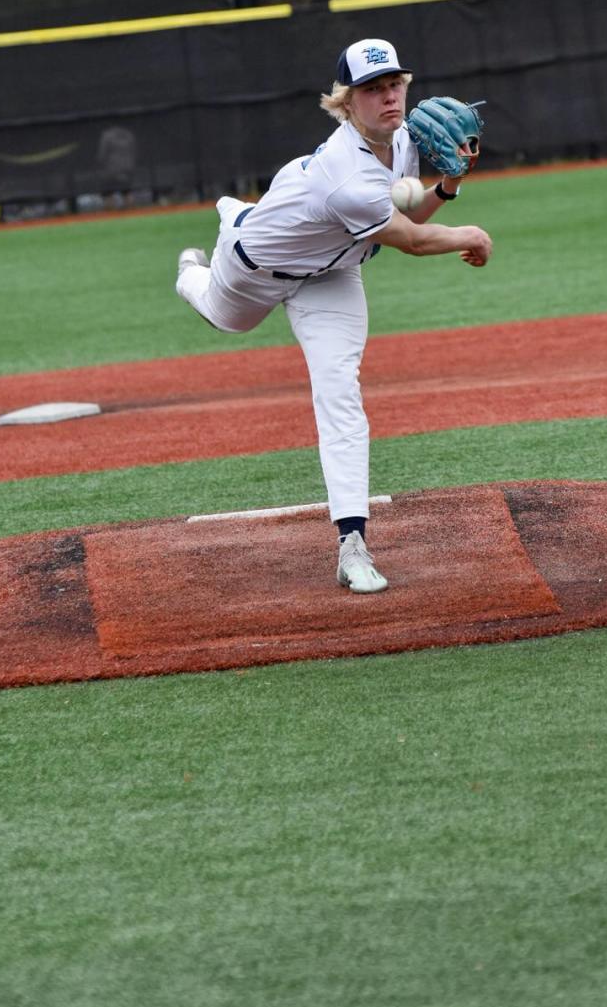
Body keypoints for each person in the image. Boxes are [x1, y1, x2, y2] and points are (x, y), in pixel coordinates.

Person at [175, 38, 492, 593]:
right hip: (254, 267)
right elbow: (413, 240)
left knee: (339, 391)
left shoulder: (406, 140)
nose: (389, 97)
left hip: (333, 274)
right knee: (227, 319)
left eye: (395, 84)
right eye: (373, 89)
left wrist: (450, 184)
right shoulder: (345, 173)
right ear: (347, 102)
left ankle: (353, 543)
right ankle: (190, 269)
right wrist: (469, 234)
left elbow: (411, 206)